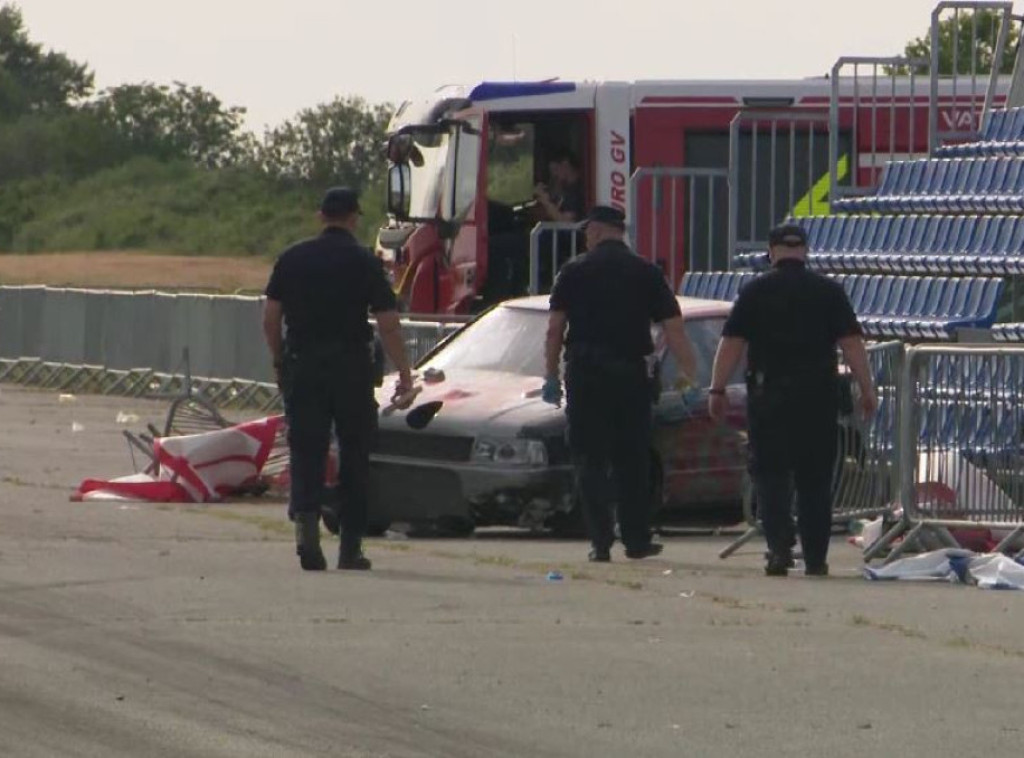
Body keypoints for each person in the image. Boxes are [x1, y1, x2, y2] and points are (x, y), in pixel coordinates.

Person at [707, 223, 878, 578]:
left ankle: (778, 550)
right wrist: (867, 388)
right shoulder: (829, 291)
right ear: (805, 251)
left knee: (771, 477)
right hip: (818, 397)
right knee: (814, 479)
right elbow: (851, 343)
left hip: (770, 397)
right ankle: (815, 558)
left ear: (771, 252)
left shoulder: (754, 292)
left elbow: (732, 344)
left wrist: (717, 389)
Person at [262, 187, 413, 572]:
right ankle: (350, 547)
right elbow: (388, 324)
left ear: (321, 216)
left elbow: (271, 318)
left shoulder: (292, 258)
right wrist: (405, 373)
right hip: (350, 368)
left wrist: (280, 360)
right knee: (355, 455)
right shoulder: (365, 261)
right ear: (353, 218)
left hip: (304, 365)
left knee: (306, 450)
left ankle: (307, 536)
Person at [544, 205, 699, 562]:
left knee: (589, 459)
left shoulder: (573, 271)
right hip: (631, 375)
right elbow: (674, 330)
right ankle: (636, 540)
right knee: (632, 459)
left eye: (587, 231)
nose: (585, 237)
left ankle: (599, 542)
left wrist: (550, 375)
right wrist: (688, 377)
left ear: (598, 231)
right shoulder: (647, 272)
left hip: (585, 375)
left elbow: (554, 329)